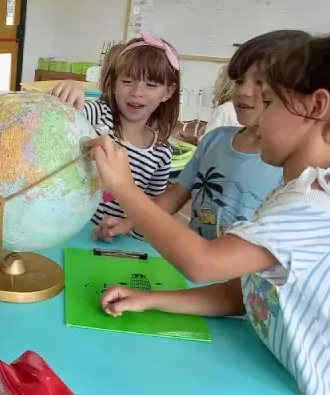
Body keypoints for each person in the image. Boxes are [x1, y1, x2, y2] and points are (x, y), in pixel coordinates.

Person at [91, 35, 330, 395]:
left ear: (315, 106)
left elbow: (204, 263)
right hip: (275, 378)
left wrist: (125, 189)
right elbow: (248, 291)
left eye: (270, 103)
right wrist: (152, 299)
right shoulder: (300, 191)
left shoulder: (323, 203)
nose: (257, 117)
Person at [92, 30, 310, 243]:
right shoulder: (214, 141)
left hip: (232, 269)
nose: (244, 91)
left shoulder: (293, 166)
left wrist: (124, 190)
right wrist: (130, 221)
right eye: (239, 81)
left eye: (261, 84)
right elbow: (175, 195)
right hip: (197, 256)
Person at [53, 31, 181, 238]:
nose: (137, 92)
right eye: (128, 81)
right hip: (72, 233)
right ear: (113, 84)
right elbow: (58, 114)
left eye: (151, 85)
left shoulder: (161, 153)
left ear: (167, 92)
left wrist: (125, 226)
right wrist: (70, 87)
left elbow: (152, 212)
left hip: (118, 243)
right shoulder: (97, 115)